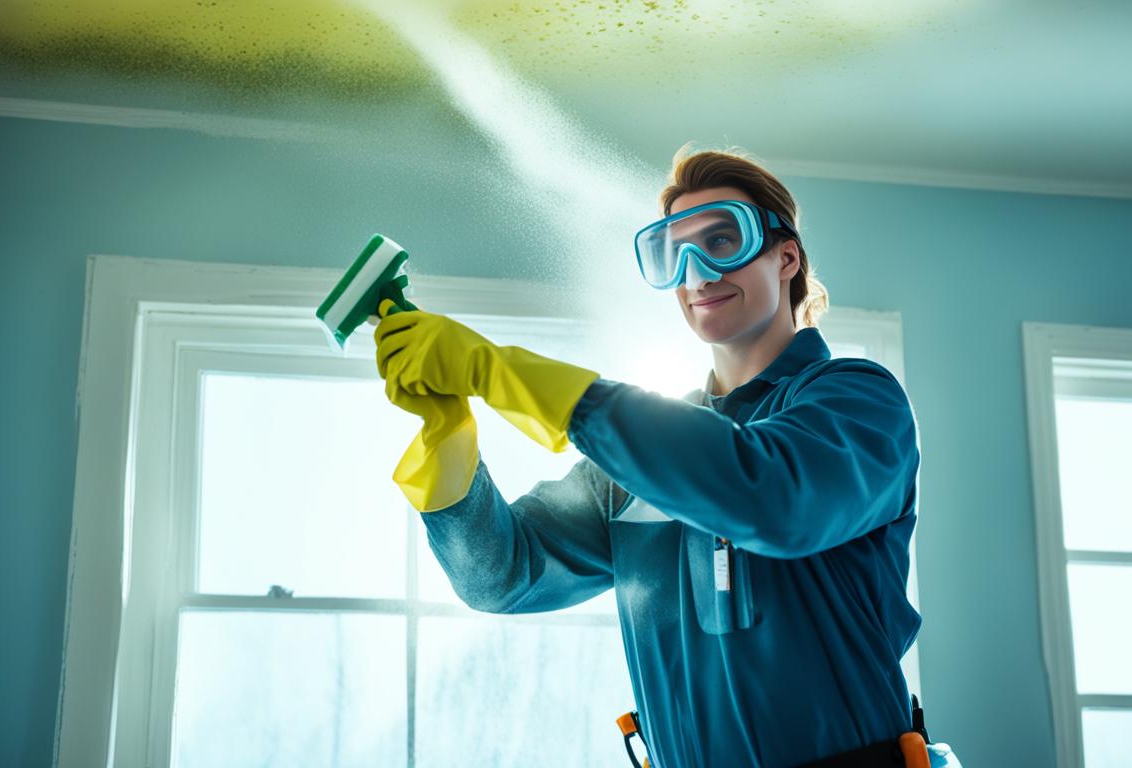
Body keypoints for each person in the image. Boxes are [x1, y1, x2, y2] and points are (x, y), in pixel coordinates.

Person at [375, 147, 929, 767]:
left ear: (786, 256)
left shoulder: (856, 399)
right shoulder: (631, 469)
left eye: (722, 239)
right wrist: (448, 436)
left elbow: (771, 495)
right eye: (674, 252)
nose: (696, 273)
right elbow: (501, 576)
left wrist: (501, 372)